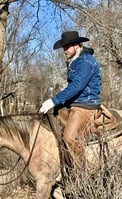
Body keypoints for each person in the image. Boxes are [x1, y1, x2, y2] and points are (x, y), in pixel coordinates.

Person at [39, 31, 101, 167]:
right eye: (63, 47)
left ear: (76, 45)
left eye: (67, 47)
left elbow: (77, 86)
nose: (64, 50)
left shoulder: (86, 62)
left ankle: (81, 173)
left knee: (69, 137)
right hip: (75, 103)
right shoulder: (76, 61)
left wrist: (54, 100)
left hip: (86, 104)